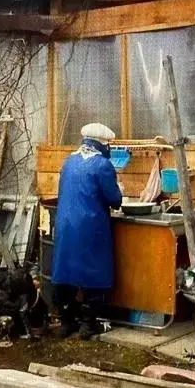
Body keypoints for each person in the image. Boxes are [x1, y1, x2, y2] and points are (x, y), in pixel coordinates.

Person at [51, 122, 122, 339]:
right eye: (109, 144)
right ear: (102, 143)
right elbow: (115, 199)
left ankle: (66, 322)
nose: (109, 148)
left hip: (65, 225)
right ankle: (88, 324)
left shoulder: (68, 162)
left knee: (65, 271)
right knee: (94, 272)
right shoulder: (102, 165)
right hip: (91, 228)